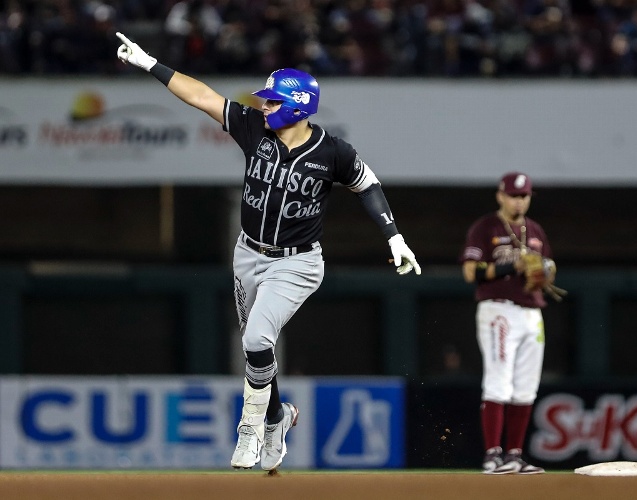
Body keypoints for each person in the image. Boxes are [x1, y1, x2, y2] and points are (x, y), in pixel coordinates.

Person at [115, 32, 421, 471]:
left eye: (274, 101)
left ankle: (251, 428)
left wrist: (393, 236)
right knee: (255, 349)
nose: (264, 106)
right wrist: (151, 65)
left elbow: (367, 185)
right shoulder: (253, 129)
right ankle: (278, 416)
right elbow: (203, 96)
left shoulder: (332, 152)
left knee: (257, 338)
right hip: (247, 254)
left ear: (298, 106)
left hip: (296, 262)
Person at [460, 171, 551, 475]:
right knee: (498, 380)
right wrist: (512, 265)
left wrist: (543, 275)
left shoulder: (535, 230)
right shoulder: (486, 228)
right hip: (498, 310)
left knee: (526, 388)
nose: (518, 200)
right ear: (500, 195)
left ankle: (514, 454)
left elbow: (546, 273)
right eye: (513, 195)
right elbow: (471, 273)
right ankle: (492, 455)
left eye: (523, 196)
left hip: (531, 313)